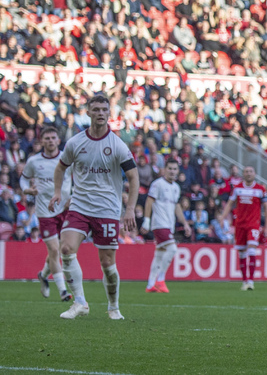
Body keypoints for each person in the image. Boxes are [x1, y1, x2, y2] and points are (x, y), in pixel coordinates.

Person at [49, 95, 140, 320]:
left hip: (107, 209)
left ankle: (113, 306)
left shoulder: (117, 145)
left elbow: (133, 176)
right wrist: (58, 192)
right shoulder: (75, 143)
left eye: (104, 110)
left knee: (107, 263)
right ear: (88, 112)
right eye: (96, 109)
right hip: (80, 206)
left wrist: (129, 209)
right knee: (67, 249)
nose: (100, 113)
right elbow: (60, 168)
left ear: (109, 114)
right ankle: (79, 302)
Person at [21, 126, 73, 302]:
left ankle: (43, 275)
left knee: (61, 250)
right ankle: (63, 291)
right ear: (41, 141)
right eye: (47, 138)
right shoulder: (34, 161)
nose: (50, 141)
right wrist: (27, 189)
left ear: (58, 140)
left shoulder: (66, 159)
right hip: (45, 212)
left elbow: (78, 179)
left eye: (53, 138)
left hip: (65, 210)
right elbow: (23, 178)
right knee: (54, 249)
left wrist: (73, 196)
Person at [140, 158, 191, 293]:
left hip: (169, 224)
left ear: (177, 171)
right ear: (165, 170)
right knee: (172, 249)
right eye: (170, 168)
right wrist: (146, 220)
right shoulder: (158, 184)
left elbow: (177, 207)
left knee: (159, 254)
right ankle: (160, 280)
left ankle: (150, 284)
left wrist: (185, 223)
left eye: (175, 169)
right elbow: (149, 201)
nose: (172, 171)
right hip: (159, 223)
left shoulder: (176, 187)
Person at [220, 166, 267, 291]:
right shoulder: (237, 188)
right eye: (246, 172)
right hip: (240, 225)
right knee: (242, 253)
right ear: (243, 174)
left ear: (254, 173)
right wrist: (222, 217)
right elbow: (230, 203)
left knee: (252, 250)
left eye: (251, 171)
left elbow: (266, 208)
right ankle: (244, 281)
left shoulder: (260, 189)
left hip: (253, 224)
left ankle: (251, 281)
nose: (248, 173)